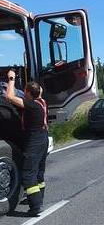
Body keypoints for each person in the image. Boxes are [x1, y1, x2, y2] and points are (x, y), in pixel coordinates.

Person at [6, 70, 49, 216]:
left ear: (30, 94)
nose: (24, 94)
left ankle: (36, 207)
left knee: (28, 173)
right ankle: (38, 199)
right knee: (38, 173)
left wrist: (11, 79)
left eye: (25, 92)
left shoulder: (31, 105)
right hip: (43, 137)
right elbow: (39, 90)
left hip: (35, 140)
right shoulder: (42, 101)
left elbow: (10, 97)